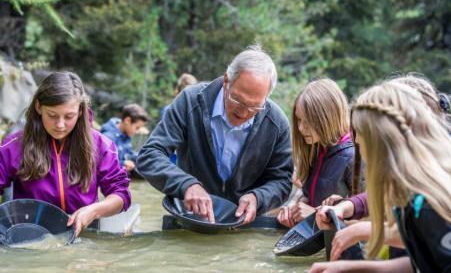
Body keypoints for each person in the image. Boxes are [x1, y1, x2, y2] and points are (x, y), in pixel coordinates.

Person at [137, 45, 292, 225]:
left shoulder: (277, 124)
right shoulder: (190, 102)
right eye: (238, 101)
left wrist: (258, 197)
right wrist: (187, 185)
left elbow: (282, 180)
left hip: (243, 226)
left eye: (255, 107)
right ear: (227, 80)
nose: (244, 113)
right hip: (189, 220)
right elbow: (149, 155)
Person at [310, 81, 451, 272]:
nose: (358, 147)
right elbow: (425, 261)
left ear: (382, 145)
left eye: (361, 142)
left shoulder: (427, 205)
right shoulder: (417, 192)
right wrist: (352, 268)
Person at [0, 71, 131, 237]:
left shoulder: (101, 145)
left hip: (84, 238)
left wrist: (94, 211)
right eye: (52, 115)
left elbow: (121, 194)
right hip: (29, 236)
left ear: (81, 110)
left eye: (69, 116)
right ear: (39, 107)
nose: (60, 125)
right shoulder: (14, 146)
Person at [277, 79, 362, 228]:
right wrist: (295, 208)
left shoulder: (354, 158)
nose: (301, 128)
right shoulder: (316, 149)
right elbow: (308, 193)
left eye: (308, 121)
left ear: (327, 117)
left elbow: (367, 225)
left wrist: (313, 216)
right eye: (299, 119)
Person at [101, 103, 149, 173]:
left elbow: (128, 153)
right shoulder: (108, 138)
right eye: (137, 128)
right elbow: (102, 163)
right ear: (128, 120)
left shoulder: (126, 134)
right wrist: (122, 164)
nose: (137, 131)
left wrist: (143, 156)